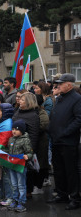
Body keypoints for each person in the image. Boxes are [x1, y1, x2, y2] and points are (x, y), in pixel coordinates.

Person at [47, 73, 81, 210]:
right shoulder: (60, 98)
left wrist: (64, 133)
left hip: (68, 141)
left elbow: (79, 119)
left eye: (61, 84)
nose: (58, 86)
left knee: (70, 171)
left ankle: (75, 198)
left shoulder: (77, 99)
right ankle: (62, 194)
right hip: (56, 140)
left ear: (69, 85)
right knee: (59, 170)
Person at [7, 120, 34, 213]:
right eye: (13, 129)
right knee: (14, 185)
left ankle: (21, 202)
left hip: (21, 166)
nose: (14, 131)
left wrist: (28, 156)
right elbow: (8, 151)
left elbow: (30, 152)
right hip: (12, 166)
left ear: (22, 130)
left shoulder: (25, 140)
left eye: (16, 129)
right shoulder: (11, 139)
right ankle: (15, 200)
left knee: (21, 185)